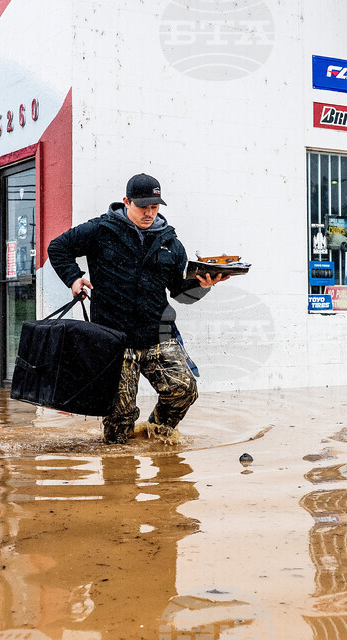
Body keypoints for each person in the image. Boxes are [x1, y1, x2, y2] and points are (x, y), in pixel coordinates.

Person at [47, 174, 228, 444]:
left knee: (184, 389)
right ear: (126, 201)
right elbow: (58, 247)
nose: (149, 213)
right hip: (114, 339)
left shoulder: (171, 243)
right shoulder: (100, 230)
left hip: (157, 334)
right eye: (143, 206)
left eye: (154, 207)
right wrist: (74, 278)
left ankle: (154, 434)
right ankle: (120, 474)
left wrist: (204, 284)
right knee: (119, 422)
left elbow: (180, 293)